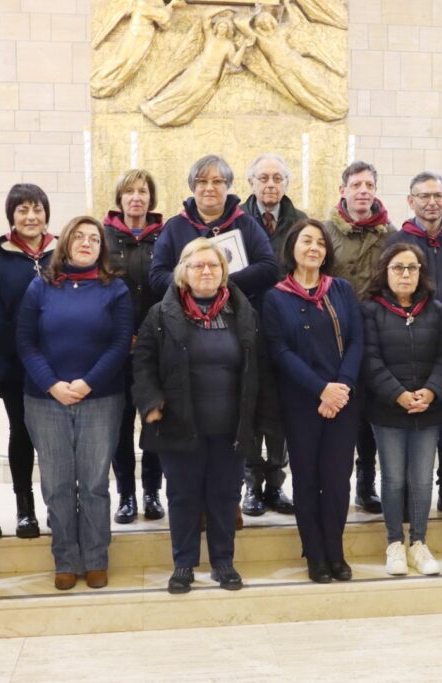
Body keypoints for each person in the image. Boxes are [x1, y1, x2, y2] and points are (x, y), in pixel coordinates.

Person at [134, 238, 261, 594]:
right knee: (183, 496)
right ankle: (184, 564)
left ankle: (223, 562)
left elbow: (258, 366)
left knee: (225, 495)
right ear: (183, 273)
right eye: (198, 265)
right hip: (180, 424)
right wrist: (151, 402)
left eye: (213, 265)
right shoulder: (160, 314)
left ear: (224, 272)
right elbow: (142, 364)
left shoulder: (243, 312)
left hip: (230, 427)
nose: (206, 271)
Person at [17, 216, 133, 591]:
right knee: (57, 484)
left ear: (102, 248)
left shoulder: (115, 289)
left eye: (94, 239)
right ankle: (65, 559)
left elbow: (121, 343)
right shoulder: (41, 286)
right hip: (45, 399)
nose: (86, 243)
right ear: (65, 243)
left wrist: (87, 383)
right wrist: (52, 384)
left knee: (95, 483)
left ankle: (96, 558)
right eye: (79, 237)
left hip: (101, 397)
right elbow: (25, 342)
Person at [263, 220, 363, 583]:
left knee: (337, 481)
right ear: (292, 248)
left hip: (343, 402)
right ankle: (315, 555)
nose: (314, 248)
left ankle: (335, 551)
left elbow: (357, 341)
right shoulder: (276, 297)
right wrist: (321, 390)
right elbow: (280, 351)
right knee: (306, 479)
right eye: (306, 241)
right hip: (302, 402)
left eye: (320, 243)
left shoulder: (341, 290)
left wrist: (341, 387)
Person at [387, 171, 442, 519]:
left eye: (438, 196)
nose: (431, 202)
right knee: (414, 419)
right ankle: (407, 495)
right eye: (424, 196)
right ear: (411, 201)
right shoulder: (398, 240)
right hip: (411, 340)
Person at [362, 243, 442, 576]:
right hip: (388, 410)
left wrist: (431, 391)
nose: (405, 274)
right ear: (385, 271)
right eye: (398, 267)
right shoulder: (371, 310)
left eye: (412, 268)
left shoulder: (436, 309)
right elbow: (370, 360)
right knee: (394, 479)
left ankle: (418, 543)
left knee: (422, 480)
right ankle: (394, 543)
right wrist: (398, 394)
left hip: (427, 410)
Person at [0, 183, 56, 539]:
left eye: (37, 209)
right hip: (15, 365)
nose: (31, 216)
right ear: (11, 216)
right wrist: (28, 354)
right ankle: (25, 509)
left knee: (58, 437)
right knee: (22, 433)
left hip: (60, 365)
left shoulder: (61, 253)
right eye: (22, 209)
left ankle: (58, 505)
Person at [324, 161, 396, 514]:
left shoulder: (390, 234)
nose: (363, 191)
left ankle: (367, 483)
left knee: (370, 410)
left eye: (369, 185)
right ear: (344, 190)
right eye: (356, 185)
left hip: (377, 332)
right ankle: (334, 482)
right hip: (335, 332)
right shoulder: (326, 232)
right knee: (339, 405)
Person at [239, 152, 307, 516]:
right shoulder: (236, 221)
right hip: (244, 327)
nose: (270, 185)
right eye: (263, 178)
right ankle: (251, 485)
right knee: (249, 409)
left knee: (280, 412)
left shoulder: (301, 223)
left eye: (277, 178)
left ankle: (276, 485)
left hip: (288, 328)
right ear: (250, 183)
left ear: (286, 184)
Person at [103, 169, 166, 525]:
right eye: (129, 191)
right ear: (120, 198)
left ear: (151, 198)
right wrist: (120, 333)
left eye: (143, 191)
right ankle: (125, 494)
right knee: (121, 423)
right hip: (117, 347)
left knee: (154, 419)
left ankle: (152, 492)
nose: (136, 197)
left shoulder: (165, 236)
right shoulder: (103, 236)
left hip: (156, 346)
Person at [149, 154, 278, 303]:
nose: (209, 188)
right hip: (184, 312)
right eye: (202, 181)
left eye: (217, 181)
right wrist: (192, 281)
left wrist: (222, 282)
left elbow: (269, 268)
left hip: (237, 310)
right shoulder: (174, 227)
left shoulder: (246, 224)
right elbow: (157, 276)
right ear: (193, 187)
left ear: (227, 186)